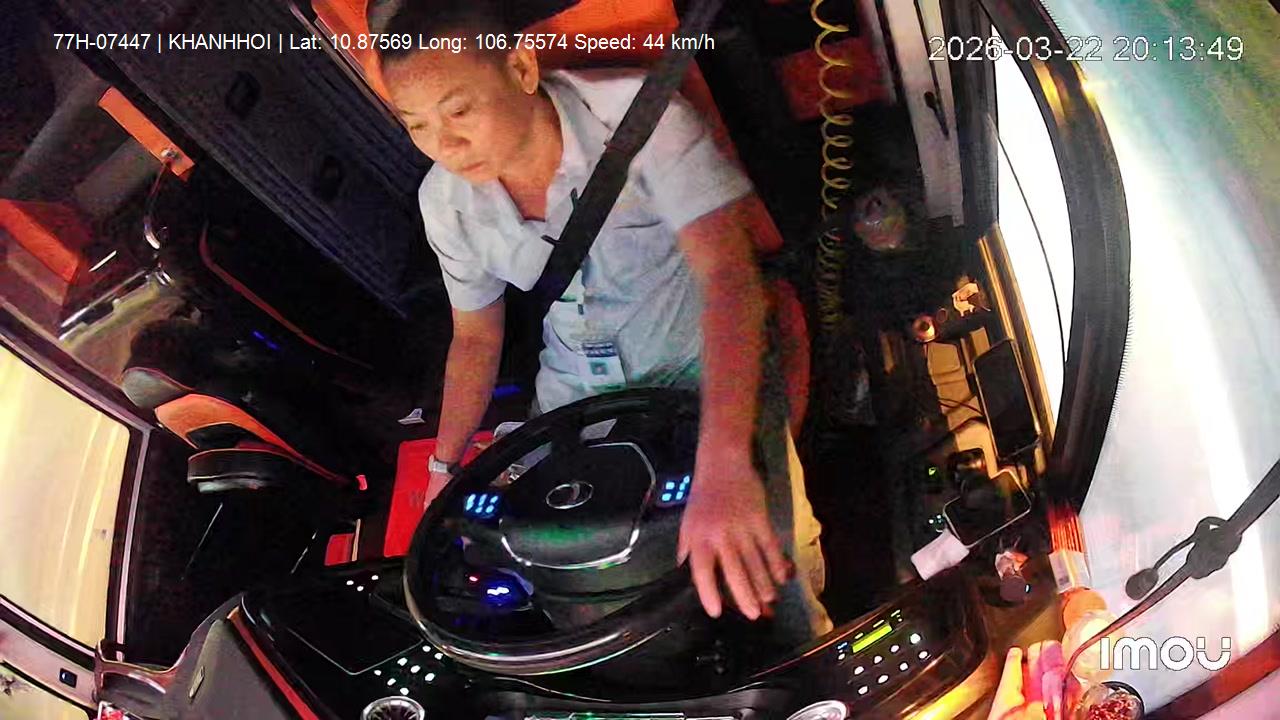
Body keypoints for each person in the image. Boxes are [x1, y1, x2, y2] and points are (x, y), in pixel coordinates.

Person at [373, 0, 831, 643]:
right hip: (575, 400)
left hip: (698, 373)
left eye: (459, 111)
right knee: (552, 576)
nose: (444, 146)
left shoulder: (642, 121)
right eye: (417, 125)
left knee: (773, 566)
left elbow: (730, 280)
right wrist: (443, 472)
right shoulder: (444, 203)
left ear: (520, 68)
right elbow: (476, 338)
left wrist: (725, 465)